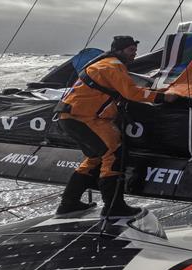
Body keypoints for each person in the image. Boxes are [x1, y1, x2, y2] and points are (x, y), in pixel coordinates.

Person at [55, 35, 177, 218]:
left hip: (69, 117)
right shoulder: (113, 66)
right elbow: (131, 93)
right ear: (119, 51)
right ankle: (114, 207)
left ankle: (68, 204)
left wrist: (157, 92)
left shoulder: (103, 64)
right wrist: (163, 97)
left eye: (135, 51)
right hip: (85, 118)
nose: (134, 54)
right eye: (130, 50)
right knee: (114, 154)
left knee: (94, 158)